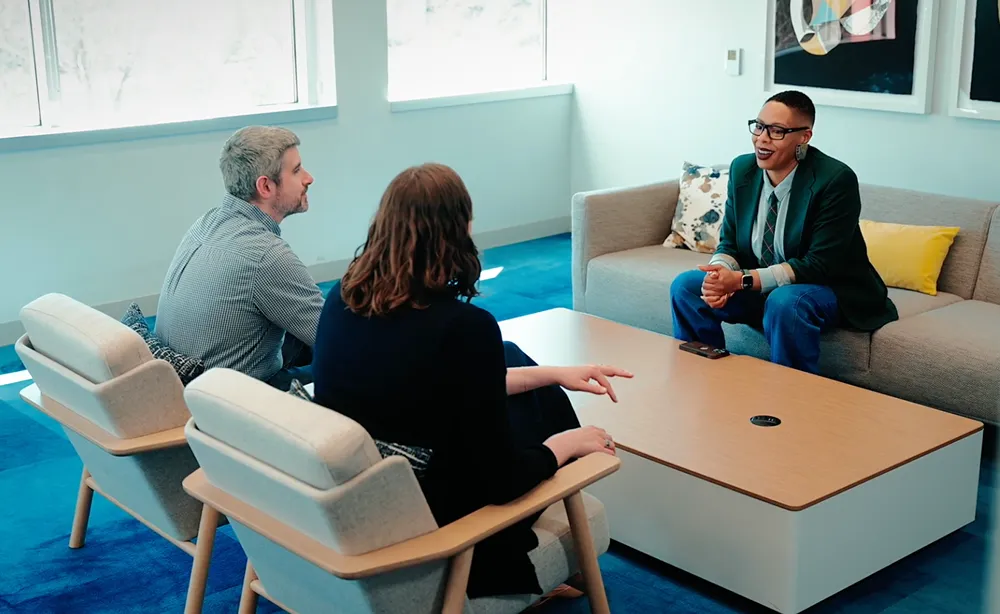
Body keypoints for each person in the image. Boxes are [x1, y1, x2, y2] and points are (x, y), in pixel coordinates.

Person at [310, 163, 633, 599]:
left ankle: (562, 539)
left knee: (524, 371)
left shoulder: (344, 294)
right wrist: (571, 443)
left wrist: (555, 373)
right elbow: (499, 483)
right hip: (438, 514)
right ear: (457, 230)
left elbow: (446, 384)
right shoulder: (465, 327)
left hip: (374, 483)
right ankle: (561, 539)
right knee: (549, 422)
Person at [670, 91, 897, 374]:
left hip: (831, 289)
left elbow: (819, 265)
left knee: (785, 301)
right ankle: (705, 380)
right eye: (759, 126)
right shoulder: (743, 169)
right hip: (763, 284)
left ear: (804, 137)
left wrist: (739, 281)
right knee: (687, 286)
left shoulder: (835, 180)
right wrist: (717, 275)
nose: (762, 138)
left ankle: (788, 400)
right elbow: (730, 243)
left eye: (777, 131)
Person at [154, 126, 324, 389]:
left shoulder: (207, 222)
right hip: (237, 400)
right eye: (296, 170)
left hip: (190, 381)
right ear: (265, 186)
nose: (309, 178)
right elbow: (333, 338)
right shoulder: (266, 257)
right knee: (354, 365)